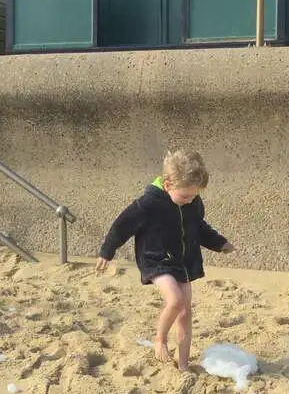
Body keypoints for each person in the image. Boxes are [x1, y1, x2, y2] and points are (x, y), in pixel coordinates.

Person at [96, 149, 235, 371]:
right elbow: (122, 226)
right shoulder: (149, 203)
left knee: (185, 311)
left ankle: (183, 365)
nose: (190, 200)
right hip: (155, 258)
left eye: (194, 196)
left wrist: (219, 243)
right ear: (168, 185)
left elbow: (199, 227)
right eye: (185, 196)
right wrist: (107, 250)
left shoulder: (193, 203)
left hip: (183, 260)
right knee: (175, 300)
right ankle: (159, 339)